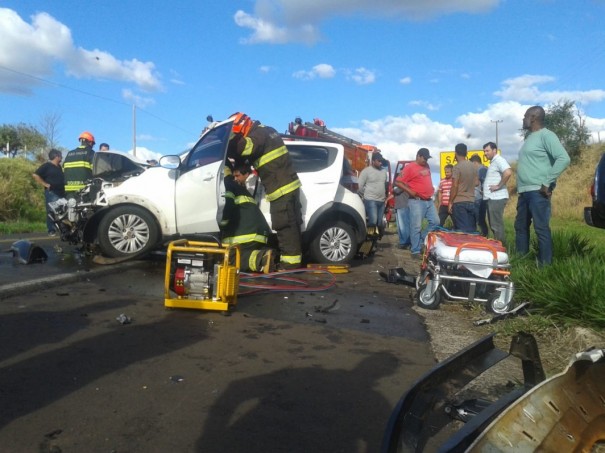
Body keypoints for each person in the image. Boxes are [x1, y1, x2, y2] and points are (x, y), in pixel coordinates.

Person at [227, 113, 303, 270]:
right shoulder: (267, 131)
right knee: (291, 226)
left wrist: (228, 138)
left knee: (284, 227)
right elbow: (246, 160)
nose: (240, 136)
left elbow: (244, 147)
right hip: (288, 186)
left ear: (243, 127)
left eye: (239, 132)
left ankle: (290, 266)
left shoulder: (258, 135)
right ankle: (293, 263)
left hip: (281, 188)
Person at [515, 106, 570, 265]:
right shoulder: (529, 138)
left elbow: (563, 158)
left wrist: (547, 183)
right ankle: (521, 262)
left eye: (525, 116)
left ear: (533, 117)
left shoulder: (547, 135)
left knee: (541, 229)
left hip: (538, 191)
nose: (523, 119)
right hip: (524, 192)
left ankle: (545, 266)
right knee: (520, 228)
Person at [219, 164, 274, 273]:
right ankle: (266, 254)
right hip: (259, 233)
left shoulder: (226, 185)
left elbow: (228, 205)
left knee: (229, 258)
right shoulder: (239, 187)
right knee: (247, 251)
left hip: (248, 234)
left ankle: (261, 258)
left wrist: (222, 225)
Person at [399, 148, 440, 259]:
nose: (426, 160)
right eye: (424, 158)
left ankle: (421, 239)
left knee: (436, 222)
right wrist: (410, 191)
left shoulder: (427, 166)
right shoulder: (409, 168)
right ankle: (415, 250)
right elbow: (398, 181)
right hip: (416, 201)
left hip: (429, 200)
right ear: (418, 156)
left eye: (427, 158)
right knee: (416, 226)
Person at [483, 141, 512, 245]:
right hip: (493, 198)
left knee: (496, 225)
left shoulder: (499, 160)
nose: (485, 153)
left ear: (494, 150)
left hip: (497, 198)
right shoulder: (493, 162)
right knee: (493, 224)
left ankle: (501, 249)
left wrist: (498, 186)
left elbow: (508, 172)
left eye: (487, 150)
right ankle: (498, 247)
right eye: (484, 151)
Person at [32, 149, 65, 236]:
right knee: (51, 211)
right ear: (56, 156)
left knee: (62, 211)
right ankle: (51, 230)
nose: (62, 157)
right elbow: (35, 175)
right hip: (52, 193)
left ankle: (61, 228)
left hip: (61, 192)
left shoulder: (59, 166)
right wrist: (45, 184)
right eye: (60, 155)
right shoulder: (47, 166)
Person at [449, 143, 477, 233]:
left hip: (459, 202)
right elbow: (477, 183)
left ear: (455, 153)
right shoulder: (473, 166)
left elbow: (455, 185)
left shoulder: (457, 167)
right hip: (472, 201)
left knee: (462, 232)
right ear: (466, 153)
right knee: (471, 231)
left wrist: (450, 202)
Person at [358, 153, 389, 236]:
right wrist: (365, 195)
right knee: (373, 221)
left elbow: (384, 185)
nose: (381, 163)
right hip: (370, 200)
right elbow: (360, 186)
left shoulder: (384, 172)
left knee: (379, 223)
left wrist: (385, 197)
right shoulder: (366, 171)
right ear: (373, 161)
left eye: (381, 161)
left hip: (381, 201)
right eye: (379, 161)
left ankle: (374, 240)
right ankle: (369, 239)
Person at [63, 131, 95, 198]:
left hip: (69, 190)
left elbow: (63, 169)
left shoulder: (69, 153)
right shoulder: (90, 153)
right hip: (84, 190)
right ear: (90, 142)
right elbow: (96, 170)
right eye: (93, 144)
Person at [469, 154, 488, 236]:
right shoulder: (482, 169)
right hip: (479, 198)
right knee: (479, 220)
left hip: (479, 199)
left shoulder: (481, 169)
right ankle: (483, 236)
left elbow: (484, 182)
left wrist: (484, 191)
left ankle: (483, 237)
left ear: (475, 163)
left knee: (478, 220)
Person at [393, 168, 411, 249]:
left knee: (404, 226)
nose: (400, 174)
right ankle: (402, 242)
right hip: (399, 205)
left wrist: (395, 186)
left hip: (403, 205)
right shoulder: (401, 182)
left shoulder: (405, 182)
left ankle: (405, 242)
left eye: (402, 172)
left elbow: (396, 190)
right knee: (400, 226)